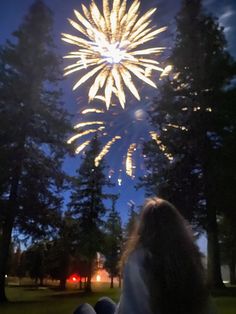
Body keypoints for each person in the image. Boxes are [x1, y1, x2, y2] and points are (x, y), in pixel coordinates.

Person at [73, 197, 216, 314]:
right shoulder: (193, 260)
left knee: (83, 309)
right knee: (103, 302)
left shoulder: (139, 259)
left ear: (144, 228)